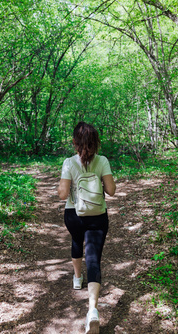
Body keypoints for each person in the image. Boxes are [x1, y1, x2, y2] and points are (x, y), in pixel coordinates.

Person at [57, 122, 116, 334]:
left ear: (75, 143)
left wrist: (64, 184)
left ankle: (76, 278)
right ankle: (92, 311)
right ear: (95, 143)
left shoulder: (68, 163)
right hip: (98, 216)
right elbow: (111, 191)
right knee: (93, 259)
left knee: (76, 240)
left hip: (74, 214)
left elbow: (63, 195)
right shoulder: (103, 161)